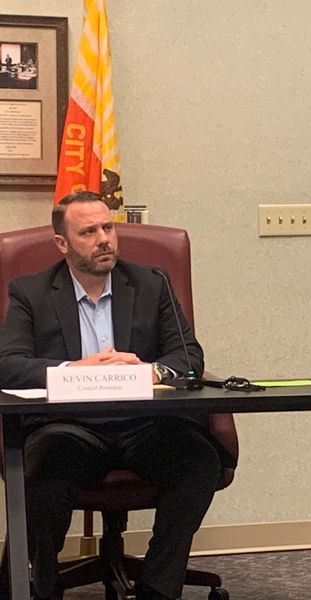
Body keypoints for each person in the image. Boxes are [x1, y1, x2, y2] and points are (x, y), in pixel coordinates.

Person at [0, 191, 223, 600]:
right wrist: (75, 368)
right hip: (70, 428)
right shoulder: (30, 292)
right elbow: (8, 364)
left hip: (145, 425)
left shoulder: (151, 283)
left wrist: (150, 369)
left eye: (108, 227)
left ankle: (158, 585)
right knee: (43, 472)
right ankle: (38, 588)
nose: (104, 239)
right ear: (62, 244)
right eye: (89, 231)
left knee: (199, 461)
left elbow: (188, 356)